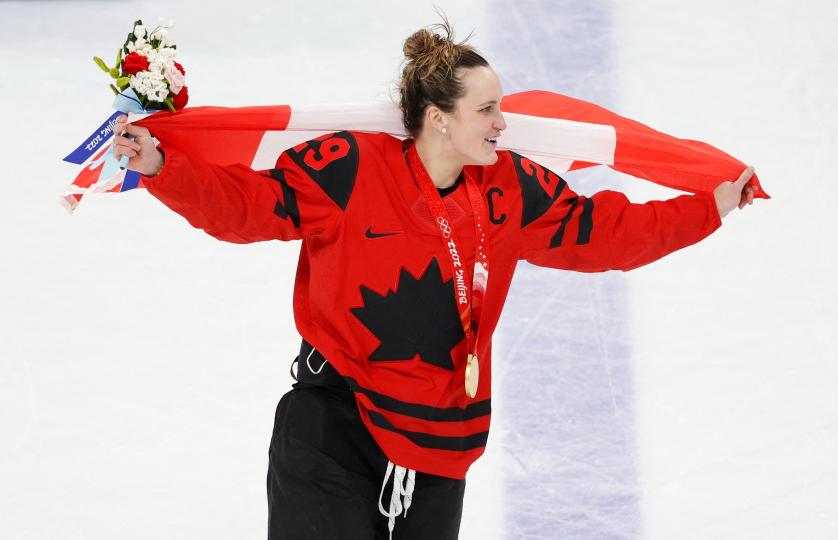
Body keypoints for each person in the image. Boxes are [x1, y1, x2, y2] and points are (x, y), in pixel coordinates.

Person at [113, 20, 756, 540]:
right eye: (488, 109)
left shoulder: (509, 187)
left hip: (440, 439)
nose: (503, 124)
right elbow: (247, 208)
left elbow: (600, 233)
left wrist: (709, 207)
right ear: (438, 117)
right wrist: (163, 166)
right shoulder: (348, 167)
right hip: (334, 425)